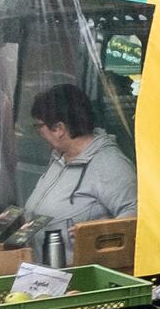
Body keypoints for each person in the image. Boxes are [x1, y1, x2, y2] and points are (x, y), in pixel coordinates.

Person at [10, 84, 137, 235]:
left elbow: (134, 212)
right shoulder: (60, 157)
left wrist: (97, 232)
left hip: (83, 258)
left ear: (59, 129)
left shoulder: (109, 164)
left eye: (39, 126)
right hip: (45, 257)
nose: (38, 133)